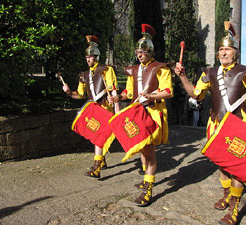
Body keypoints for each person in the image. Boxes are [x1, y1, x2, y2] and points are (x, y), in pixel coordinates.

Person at [174, 21, 246, 225]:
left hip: (239, 126)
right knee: (221, 164)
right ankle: (227, 193)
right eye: (220, 49)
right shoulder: (209, 72)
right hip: (216, 126)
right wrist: (183, 77)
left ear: (235, 51)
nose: (223, 52)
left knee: (237, 167)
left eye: (227, 49)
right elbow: (196, 94)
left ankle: (233, 208)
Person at [108, 24, 173, 206]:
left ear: (150, 51)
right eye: (138, 52)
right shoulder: (134, 70)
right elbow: (129, 92)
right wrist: (117, 97)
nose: (140, 55)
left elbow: (168, 91)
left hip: (152, 113)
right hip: (136, 113)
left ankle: (148, 189)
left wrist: (151, 95)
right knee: (141, 148)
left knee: (150, 152)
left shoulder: (161, 68)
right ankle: (147, 178)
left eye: (143, 52)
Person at [63, 35, 119, 178]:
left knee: (99, 135)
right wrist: (69, 92)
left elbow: (112, 89)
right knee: (95, 135)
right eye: (87, 57)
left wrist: (117, 111)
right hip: (92, 109)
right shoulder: (84, 75)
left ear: (97, 56)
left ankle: (96, 167)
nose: (88, 59)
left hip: (105, 107)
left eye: (91, 56)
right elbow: (80, 94)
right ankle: (102, 160)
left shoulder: (106, 70)